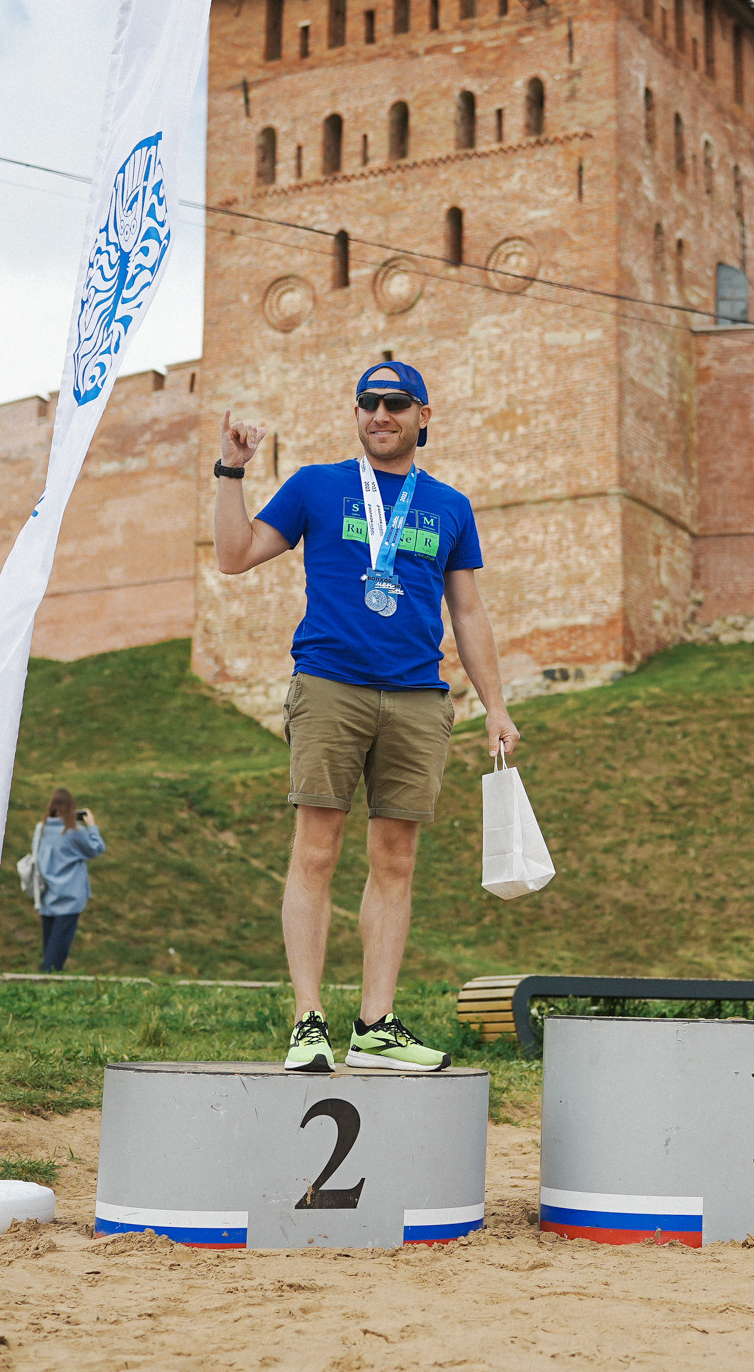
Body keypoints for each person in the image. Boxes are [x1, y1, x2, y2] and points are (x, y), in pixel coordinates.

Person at [213, 362, 518, 1074]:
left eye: (395, 403)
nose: (379, 414)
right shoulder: (318, 486)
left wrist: (496, 705)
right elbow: (234, 557)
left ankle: (376, 1025)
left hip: (418, 695)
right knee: (315, 852)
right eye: (368, 403)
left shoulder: (449, 505)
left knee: (397, 861)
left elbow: (467, 611)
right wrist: (231, 472)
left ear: (422, 415)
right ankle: (309, 1023)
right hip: (330, 686)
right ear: (357, 414)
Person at [34, 788, 105, 973]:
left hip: (46, 892)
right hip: (70, 896)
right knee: (59, 946)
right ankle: (46, 982)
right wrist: (92, 826)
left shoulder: (41, 829)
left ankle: (46, 980)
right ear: (71, 807)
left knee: (50, 944)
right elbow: (96, 848)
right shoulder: (74, 831)